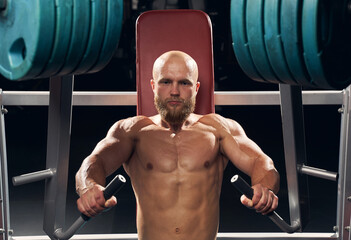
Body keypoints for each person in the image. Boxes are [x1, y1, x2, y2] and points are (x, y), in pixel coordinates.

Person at [75, 50, 280, 240]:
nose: (174, 91)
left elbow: (261, 162)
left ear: (196, 88)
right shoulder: (132, 131)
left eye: (184, 83)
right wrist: (89, 187)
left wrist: (264, 188)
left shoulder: (218, 129)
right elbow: (95, 161)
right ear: (153, 86)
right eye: (165, 82)